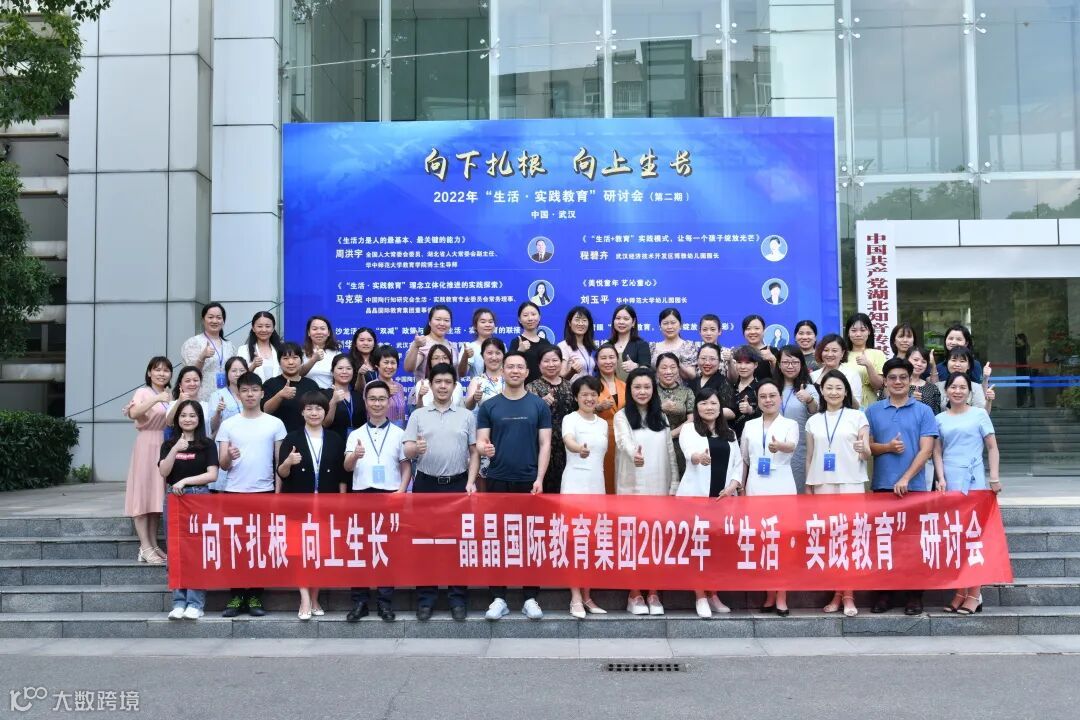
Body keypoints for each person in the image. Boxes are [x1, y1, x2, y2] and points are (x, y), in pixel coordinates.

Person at [475, 351, 552, 621]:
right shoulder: (489, 406)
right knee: (498, 539)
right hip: (497, 479)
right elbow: (481, 442)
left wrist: (540, 478)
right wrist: (485, 448)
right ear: (503, 371)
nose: (515, 371)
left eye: (520, 367)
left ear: (527, 372)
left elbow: (545, 444)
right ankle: (499, 597)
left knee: (531, 539)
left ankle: (530, 597)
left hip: (529, 481)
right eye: (510, 367)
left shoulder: (538, 405)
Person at [404, 363, 479, 621]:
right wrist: (416, 449)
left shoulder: (466, 415)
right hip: (426, 484)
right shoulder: (418, 415)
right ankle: (426, 599)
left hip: (458, 485)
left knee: (458, 544)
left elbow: (474, 452)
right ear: (431, 385)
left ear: (455, 386)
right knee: (426, 544)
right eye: (438, 382)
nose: (443, 386)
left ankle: (457, 598)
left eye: (448, 382)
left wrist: (471, 481)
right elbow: (407, 450)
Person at [866, 357, 938, 615]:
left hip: (914, 488)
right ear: (885, 381)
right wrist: (887, 447)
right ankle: (884, 594)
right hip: (882, 486)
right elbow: (867, 447)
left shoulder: (924, 411)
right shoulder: (873, 411)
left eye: (903, 378)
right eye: (892, 378)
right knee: (884, 542)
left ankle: (914, 596)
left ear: (910, 381)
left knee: (913, 544)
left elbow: (926, 450)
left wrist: (906, 478)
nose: (898, 382)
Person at [216, 372, 288, 618]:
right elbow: (223, 464)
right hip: (234, 492)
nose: (250, 395)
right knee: (234, 546)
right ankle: (236, 596)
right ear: (238, 394)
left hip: (264, 492)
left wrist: (277, 494)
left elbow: (279, 462)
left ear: (262, 393)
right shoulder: (229, 424)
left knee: (261, 546)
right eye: (245, 390)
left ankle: (256, 594)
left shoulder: (274, 423)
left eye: (254, 390)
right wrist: (229, 456)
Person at [935, 371, 1002, 616]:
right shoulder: (939, 418)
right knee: (956, 538)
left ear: (969, 391)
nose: (958, 391)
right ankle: (960, 591)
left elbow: (992, 447)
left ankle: (974, 594)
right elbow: (937, 452)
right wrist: (941, 478)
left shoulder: (979, 414)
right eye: (953, 387)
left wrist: (994, 477)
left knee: (974, 537)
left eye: (962, 387)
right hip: (950, 481)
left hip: (974, 481)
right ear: (946, 390)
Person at [343, 380, 411, 623]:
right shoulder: (356, 434)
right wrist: (355, 456)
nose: (377, 403)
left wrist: (401, 492)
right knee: (360, 549)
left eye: (382, 399)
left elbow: (406, 467)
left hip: (391, 495)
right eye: (372, 399)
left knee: (387, 550)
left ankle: (384, 601)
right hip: (362, 495)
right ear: (365, 401)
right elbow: (347, 467)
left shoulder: (400, 434)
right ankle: (359, 601)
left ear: (389, 401)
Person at [804, 369, 870, 616]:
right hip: (822, 484)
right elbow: (810, 456)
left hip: (851, 483)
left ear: (846, 392)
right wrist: (808, 486)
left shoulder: (857, 417)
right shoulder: (814, 421)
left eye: (839, 388)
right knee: (831, 540)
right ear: (822, 391)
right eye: (829, 388)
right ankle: (837, 593)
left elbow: (866, 453)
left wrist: (863, 448)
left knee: (850, 539)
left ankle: (848, 595)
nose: (834, 392)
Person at [276, 392, 347, 620]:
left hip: (327, 505)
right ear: (302, 412)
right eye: (309, 408)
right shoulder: (292, 438)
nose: (314, 413)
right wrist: (288, 462)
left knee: (321, 553)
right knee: (299, 553)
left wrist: (342, 502)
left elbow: (342, 475)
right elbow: (282, 473)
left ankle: (315, 597)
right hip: (297, 505)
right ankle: (304, 597)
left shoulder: (335, 439)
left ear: (325, 412)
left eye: (318, 408)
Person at [614, 367, 678, 616]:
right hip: (631, 487)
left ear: (654, 389)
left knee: (655, 543)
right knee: (632, 542)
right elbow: (623, 441)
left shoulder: (660, 417)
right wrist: (634, 454)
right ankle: (634, 594)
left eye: (647, 387)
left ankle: (653, 592)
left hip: (659, 487)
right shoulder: (621, 416)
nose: (642, 392)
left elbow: (670, 453)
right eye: (637, 387)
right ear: (629, 390)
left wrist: (673, 485)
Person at [677, 387, 743, 618]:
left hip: (722, 500)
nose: (709, 407)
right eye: (704, 403)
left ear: (720, 407)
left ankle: (713, 593)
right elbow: (689, 453)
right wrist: (699, 457)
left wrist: (733, 486)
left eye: (713, 403)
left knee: (716, 550)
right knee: (698, 548)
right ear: (697, 407)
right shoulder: (689, 429)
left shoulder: (730, 433)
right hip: (696, 499)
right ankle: (700, 596)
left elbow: (738, 464)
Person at [741, 379, 799, 615]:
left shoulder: (790, 424)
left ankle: (782, 594)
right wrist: (742, 489)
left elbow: (791, 446)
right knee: (762, 542)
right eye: (763, 396)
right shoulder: (750, 426)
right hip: (756, 485)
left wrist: (779, 447)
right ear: (758, 401)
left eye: (772, 395)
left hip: (781, 484)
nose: (768, 400)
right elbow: (744, 460)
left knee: (782, 542)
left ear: (780, 398)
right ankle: (769, 593)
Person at [158, 399, 218, 619]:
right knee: (175, 551)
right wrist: (175, 449)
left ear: (199, 419)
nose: (188, 419)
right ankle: (178, 601)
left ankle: (195, 603)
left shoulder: (207, 444)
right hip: (174, 500)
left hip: (198, 498)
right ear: (177, 419)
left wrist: (185, 481)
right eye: (183, 415)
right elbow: (164, 472)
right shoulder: (169, 444)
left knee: (196, 550)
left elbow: (212, 475)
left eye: (192, 415)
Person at [560, 376, 610, 618]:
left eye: (593, 394)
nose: (589, 398)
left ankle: (588, 595)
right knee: (574, 541)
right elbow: (569, 441)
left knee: (592, 543)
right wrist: (579, 448)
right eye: (584, 395)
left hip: (596, 486)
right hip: (574, 485)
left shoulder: (603, 424)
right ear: (576, 397)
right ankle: (575, 597)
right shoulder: (570, 419)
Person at [122, 356, 173, 565]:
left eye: (166, 370)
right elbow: (134, 413)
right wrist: (157, 398)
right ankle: (144, 546)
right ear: (150, 372)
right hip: (146, 444)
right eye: (157, 369)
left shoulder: (169, 394)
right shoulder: (143, 392)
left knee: (155, 498)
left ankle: (153, 545)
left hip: (164, 445)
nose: (162, 373)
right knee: (142, 497)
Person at [527, 346, 574, 494]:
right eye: (546, 361)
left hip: (567, 445)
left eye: (555, 360)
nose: (551, 364)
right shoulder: (531, 387)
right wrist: (540, 404)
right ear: (539, 364)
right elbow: (527, 417)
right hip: (541, 446)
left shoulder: (570, 386)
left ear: (561, 362)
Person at [775, 345, 820, 493]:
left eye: (795, 362)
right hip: (773, 447)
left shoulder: (808, 388)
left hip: (799, 451)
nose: (790, 366)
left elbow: (816, 414)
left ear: (801, 365)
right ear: (779, 364)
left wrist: (809, 400)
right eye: (785, 362)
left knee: (798, 491)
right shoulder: (772, 388)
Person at [180, 302, 236, 401]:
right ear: (203, 320)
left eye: (219, 317)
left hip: (226, 396)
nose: (214, 321)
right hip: (201, 396)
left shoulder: (229, 346)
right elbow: (189, 375)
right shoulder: (193, 343)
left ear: (223, 321)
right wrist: (202, 357)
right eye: (210, 317)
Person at [262, 342, 321, 433]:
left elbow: (320, 412)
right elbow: (265, 410)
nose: (291, 362)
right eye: (285, 358)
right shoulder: (270, 384)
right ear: (279, 362)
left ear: (301, 361)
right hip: (279, 436)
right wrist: (280, 395)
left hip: (306, 436)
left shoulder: (311, 385)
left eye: (295, 357)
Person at [656, 352, 695, 477]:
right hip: (654, 441)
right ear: (657, 370)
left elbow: (692, 419)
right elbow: (642, 414)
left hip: (680, 443)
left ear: (678, 370)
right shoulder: (650, 390)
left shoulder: (687, 392)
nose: (668, 371)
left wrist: (670, 435)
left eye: (673, 367)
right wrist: (661, 408)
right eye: (664, 367)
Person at [595, 343, 626, 495]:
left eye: (611, 357)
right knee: (605, 477)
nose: (608, 361)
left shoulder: (625, 385)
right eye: (603, 358)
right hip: (601, 438)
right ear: (597, 361)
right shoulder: (591, 385)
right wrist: (597, 408)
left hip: (624, 438)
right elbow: (580, 411)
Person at [405, 304, 460, 388]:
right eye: (438, 319)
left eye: (446, 320)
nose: (442, 323)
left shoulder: (452, 346)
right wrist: (416, 346)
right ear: (430, 322)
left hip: (448, 393)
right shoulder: (421, 344)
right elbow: (409, 368)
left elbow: (456, 376)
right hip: (425, 393)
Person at [842, 312, 886, 409]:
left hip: (871, 405)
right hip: (846, 404)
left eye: (862, 330)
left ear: (869, 331)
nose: (858, 334)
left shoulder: (878, 354)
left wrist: (868, 365)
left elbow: (879, 386)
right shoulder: (842, 355)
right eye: (853, 330)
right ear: (848, 333)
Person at [935, 346, 995, 412]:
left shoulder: (976, 387)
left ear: (969, 365)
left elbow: (983, 414)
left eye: (962, 361)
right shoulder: (937, 386)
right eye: (953, 360)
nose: (957, 364)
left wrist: (989, 401)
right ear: (947, 363)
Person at [810, 334, 862, 409]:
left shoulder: (852, 374)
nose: (829, 354)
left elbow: (857, 407)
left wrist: (848, 392)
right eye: (826, 350)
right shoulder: (813, 375)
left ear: (842, 353)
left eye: (834, 351)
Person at [508, 301, 554, 385]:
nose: (530, 318)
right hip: (523, 388)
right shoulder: (516, 342)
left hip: (544, 388)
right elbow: (509, 367)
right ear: (519, 319)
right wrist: (520, 351)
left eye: (533, 314)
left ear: (539, 317)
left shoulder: (546, 343)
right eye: (525, 315)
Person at [322, 353, 366, 439]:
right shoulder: (324, 395)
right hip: (335, 442)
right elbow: (325, 424)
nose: (344, 372)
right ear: (332, 371)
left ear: (353, 371)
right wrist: (333, 402)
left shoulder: (358, 395)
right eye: (340, 368)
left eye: (348, 368)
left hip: (358, 443)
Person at [650, 307, 697, 380]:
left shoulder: (688, 346)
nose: (669, 327)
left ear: (680, 325)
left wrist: (676, 363)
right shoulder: (652, 347)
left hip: (681, 387)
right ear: (660, 326)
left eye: (673, 323)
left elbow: (692, 375)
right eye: (665, 323)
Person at [414, 344, 465, 409]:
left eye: (445, 358)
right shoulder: (422, 385)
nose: (441, 361)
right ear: (430, 362)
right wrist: (420, 397)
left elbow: (462, 411)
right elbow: (419, 412)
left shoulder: (458, 386)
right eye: (436, 358)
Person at [236, 311, 281, 383]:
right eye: (260, 326)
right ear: (253, 328)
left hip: (279, 389)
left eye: (268, 326)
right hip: (254, 390)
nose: (264, 330)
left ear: (273, 328)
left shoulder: (281, 349)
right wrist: (253, 366)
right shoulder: (243, 350)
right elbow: (239, 378)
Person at [209, 357, 248, 440]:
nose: (238, 374)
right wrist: (218, 412)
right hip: (226, 441)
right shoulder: (217, 395)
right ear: (227, 373)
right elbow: (212, 427)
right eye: (234, 371)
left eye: (242, 370)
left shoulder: (251, 394)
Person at [609, 304, 651, 380]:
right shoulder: (608, 345)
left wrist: (637, 367)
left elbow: (648, 371)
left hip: (634, 387)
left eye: (626, 319)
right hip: (610, 387)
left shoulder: (641, 345)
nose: (621, 322)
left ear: (633, 322)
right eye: (618, 318)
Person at [298, 314, 341, 389]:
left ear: (328, 333)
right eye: (314, 329)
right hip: (306, 394)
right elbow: (297, 374)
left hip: (328, 393)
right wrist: (313, 360)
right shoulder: (300, 352)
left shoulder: (336, 354)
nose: (319, 332)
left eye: (322, 329)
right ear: (308, 333)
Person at [558, 305, 597, 382]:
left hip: (588, 388)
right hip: (572, 389)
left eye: (584, 320)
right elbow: (560, 378)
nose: (580, 323)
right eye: (577, 320)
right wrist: (572, 372)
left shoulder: (587, 347)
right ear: (569, 323)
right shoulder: (563, 346)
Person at [731, 346, 762, 441]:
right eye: (739, 362)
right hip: (731, 440)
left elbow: (769, 413)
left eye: (747, 363)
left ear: (755, 365)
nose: (742, 367)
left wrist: (751, 411)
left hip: (753, 439)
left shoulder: (760, 388)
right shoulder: (729, 386)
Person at [373, 345, 408, 427]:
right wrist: (386, 395)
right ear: (377, 365)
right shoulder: (371, 387)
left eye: (393, 363)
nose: (389, 366)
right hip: (379, 430)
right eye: (386, 362)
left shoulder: (399, 387)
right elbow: (370, 411)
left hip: (399, 431)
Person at [458, 308, 496, 380]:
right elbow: (461, 374)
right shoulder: (470, 347)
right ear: (475, 326)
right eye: (483, 322)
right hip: (477, 386)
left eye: (490, 322)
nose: (487, 325)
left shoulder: (501, 346)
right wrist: (465, 357)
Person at [740, 314, 776, 380]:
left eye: (757, 328)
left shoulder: (773, 351)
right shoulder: (739, 352)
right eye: (748, 329)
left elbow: (780, 378)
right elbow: (733, 380)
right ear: (743, 332)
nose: (752, 332)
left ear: (763, 330)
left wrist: (773, 360)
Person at [908, 346, 941, 415]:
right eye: (915, 360)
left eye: (923, 362)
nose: (919, 364)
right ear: (906, 360)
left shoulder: (932, 388)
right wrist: (907, 400)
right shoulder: (897, 385)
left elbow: (936, 414)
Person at [699, 313, 734, 378]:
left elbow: (733, 380)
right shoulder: (694, 352)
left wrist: (730, 361)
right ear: (700, 331)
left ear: (719, 331)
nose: (708, 333)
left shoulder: (727, 353)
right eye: (705, 329)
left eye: (712, 329)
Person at [1015, 333, 1033, 407]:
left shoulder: (1024, 348)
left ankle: (1025, 402)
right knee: (1021, 386)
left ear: (1021, 339)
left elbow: (1026, 358)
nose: (1016, 340)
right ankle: (1021, 402)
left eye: (1017, 338)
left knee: (1024, 386)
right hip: (1020, 369)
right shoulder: (1018, 348)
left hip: (1023, 369)